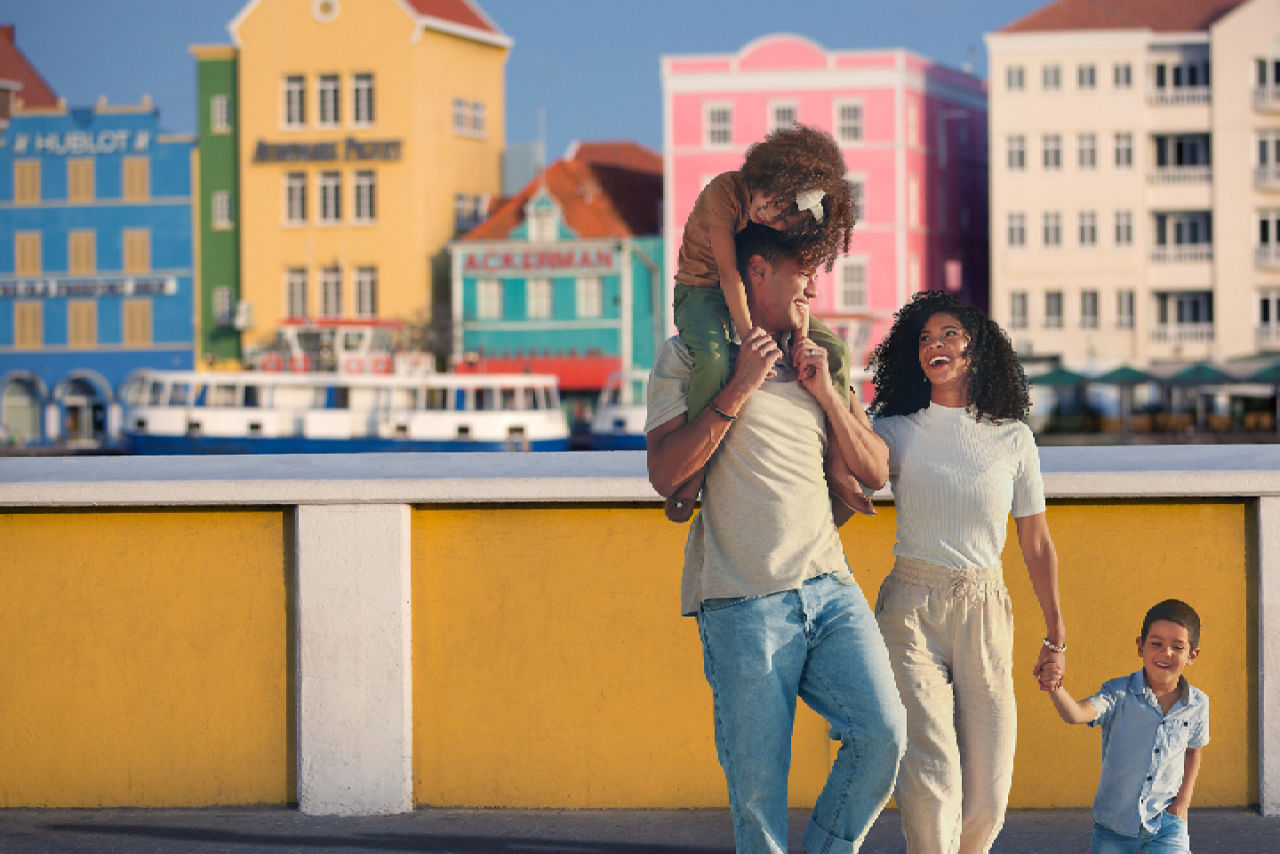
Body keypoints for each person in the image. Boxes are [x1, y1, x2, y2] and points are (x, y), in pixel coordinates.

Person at [646, 222, 905, 854]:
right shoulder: (691, 357)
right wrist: (740, 383)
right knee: (757, 798)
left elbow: (876, 468)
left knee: (883, 735)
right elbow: (665, 474)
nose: (814, 284)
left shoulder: (822, 356)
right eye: (803, 268)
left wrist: (828, 394)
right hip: (742, 601)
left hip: (831, 587)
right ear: (756, 270)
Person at [864, 290, 1066, 854]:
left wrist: (1056, 637)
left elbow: (1037, 542)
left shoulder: (1014, 438)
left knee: (988, 797)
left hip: (986, 609)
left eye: (949, 334)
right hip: (911, 608)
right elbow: (850, 486)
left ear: (976, 352)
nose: (936, 345)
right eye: (925, 338)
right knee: (933, 775)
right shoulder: (895, 430)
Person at [666, 124, 858, 522]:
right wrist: (752, 334)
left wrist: (801, 338)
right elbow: (728, 274)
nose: (774, 219)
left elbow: (801, 285)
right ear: (772, 176)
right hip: (702, 290)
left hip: (747, 295)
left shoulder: (778, 222)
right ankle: (696, 471)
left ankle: (838, 465)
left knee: (835, 350)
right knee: (716, 359)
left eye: (788, 222)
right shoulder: (724, 193)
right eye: (780, 205)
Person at [1043, 599, 1208, 854]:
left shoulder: (1197, 704)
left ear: (1192, 655)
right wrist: (1056, 687)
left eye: (1177, 647)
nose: (1166, 653)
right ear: (1140, 646)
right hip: (1115, 825)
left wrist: (1182, 804)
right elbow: (1075, 713)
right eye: (1156, 644)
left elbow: (1193, 751)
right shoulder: (1117, 693)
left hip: (1167, 824)